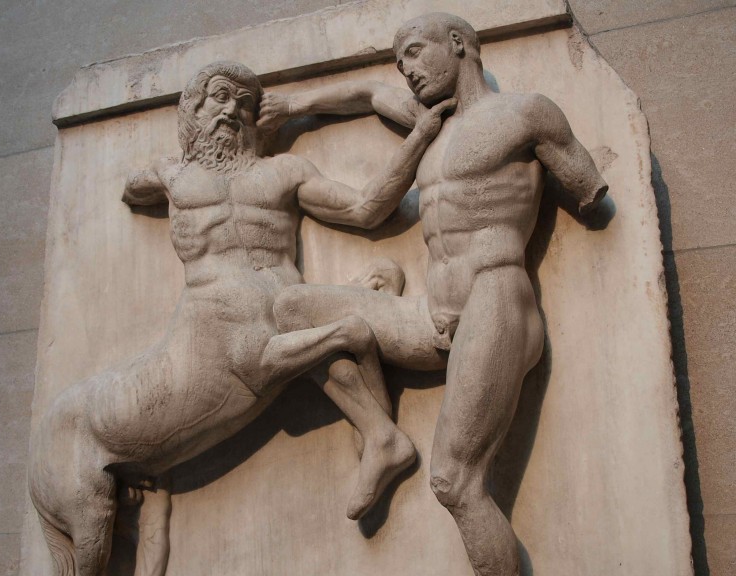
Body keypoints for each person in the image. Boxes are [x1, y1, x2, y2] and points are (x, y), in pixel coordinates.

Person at [28, 60, 454, 576]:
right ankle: (378, 429)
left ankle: (381, 436)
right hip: (211, 323)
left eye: (244, 103)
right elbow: (129, 186)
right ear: (194, 109)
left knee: (308, 309)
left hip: (273, 313)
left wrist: (421, 136)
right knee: (321, 323)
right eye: (219, 98)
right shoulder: (174, 175)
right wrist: (167, 164)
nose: (231, 110)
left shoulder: (284, 173)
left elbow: (365, 208)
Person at [260, 13, 609, 576]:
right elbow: (369, 92)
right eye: (401, 63)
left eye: (417, 54)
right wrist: (294, 104)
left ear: (459, 44)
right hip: (430, 314)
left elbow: (589, 189)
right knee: (293, 309)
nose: (408, 73)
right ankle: (382, 438)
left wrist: (583, 182)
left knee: (455, 481)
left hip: (494, 299)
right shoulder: (428, 121)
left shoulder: (525, 114)